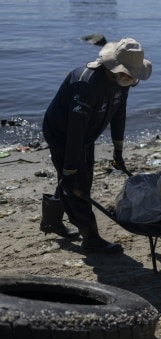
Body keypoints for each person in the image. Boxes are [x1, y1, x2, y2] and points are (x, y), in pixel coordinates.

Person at [41, 37, 152, 254]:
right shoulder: (87, 84)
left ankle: (51, 220)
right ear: (114, 67)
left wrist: (118, 151)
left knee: (74, 180)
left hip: (86, 134)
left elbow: (119, 114)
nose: (131, 78)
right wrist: (70, 168)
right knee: (76, 184)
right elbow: (75, 132)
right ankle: (90, 237)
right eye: (128, 73)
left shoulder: (123, 81)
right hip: (63, 134)